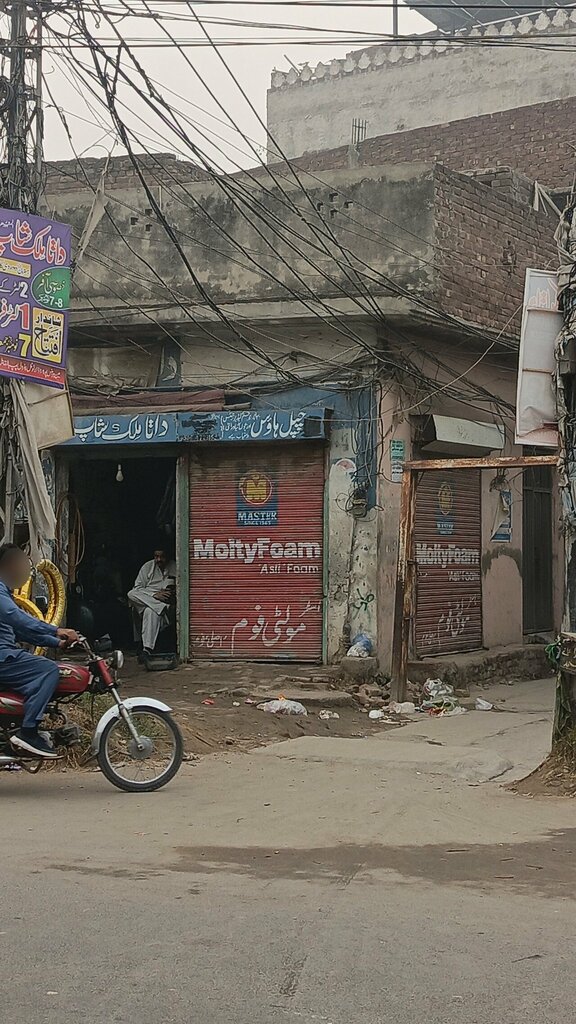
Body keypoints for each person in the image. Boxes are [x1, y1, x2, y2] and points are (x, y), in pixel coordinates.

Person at [0, 543, 78, 759]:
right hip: (3, 658)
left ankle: (14, 737)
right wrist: (57, 629)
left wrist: (56, 641)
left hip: (6, 655)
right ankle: (28, 732)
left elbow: (19, 632)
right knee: (48, 670)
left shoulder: (5, 593)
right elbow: (17, 619)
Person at [127, 548, 177, 656]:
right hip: (151, 599)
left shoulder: (175, 566)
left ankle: (147, 649)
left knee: (150, 610)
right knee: (131, 594)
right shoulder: (147, 567)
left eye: (162, 557)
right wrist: (153, 595)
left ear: (167, 556)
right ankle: (148, 648)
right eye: (156, 556)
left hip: (166, 604)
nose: (159, 559)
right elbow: (137, 588)